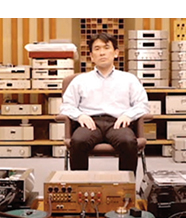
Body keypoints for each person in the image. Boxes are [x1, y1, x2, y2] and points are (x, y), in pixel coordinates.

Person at [60, 32, 149, 174]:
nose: (102, 53)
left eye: (106, 48)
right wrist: (80, 116)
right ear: (91, 56)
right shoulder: (80, 80)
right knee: (78, 142)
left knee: (127, 141)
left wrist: (128, 115)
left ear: (116, 53)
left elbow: (142, 104)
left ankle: (125, 188)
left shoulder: (129, 79)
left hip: (118, 122)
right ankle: (80, 187)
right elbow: (67, 105)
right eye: (97, 49)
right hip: (90, 123)